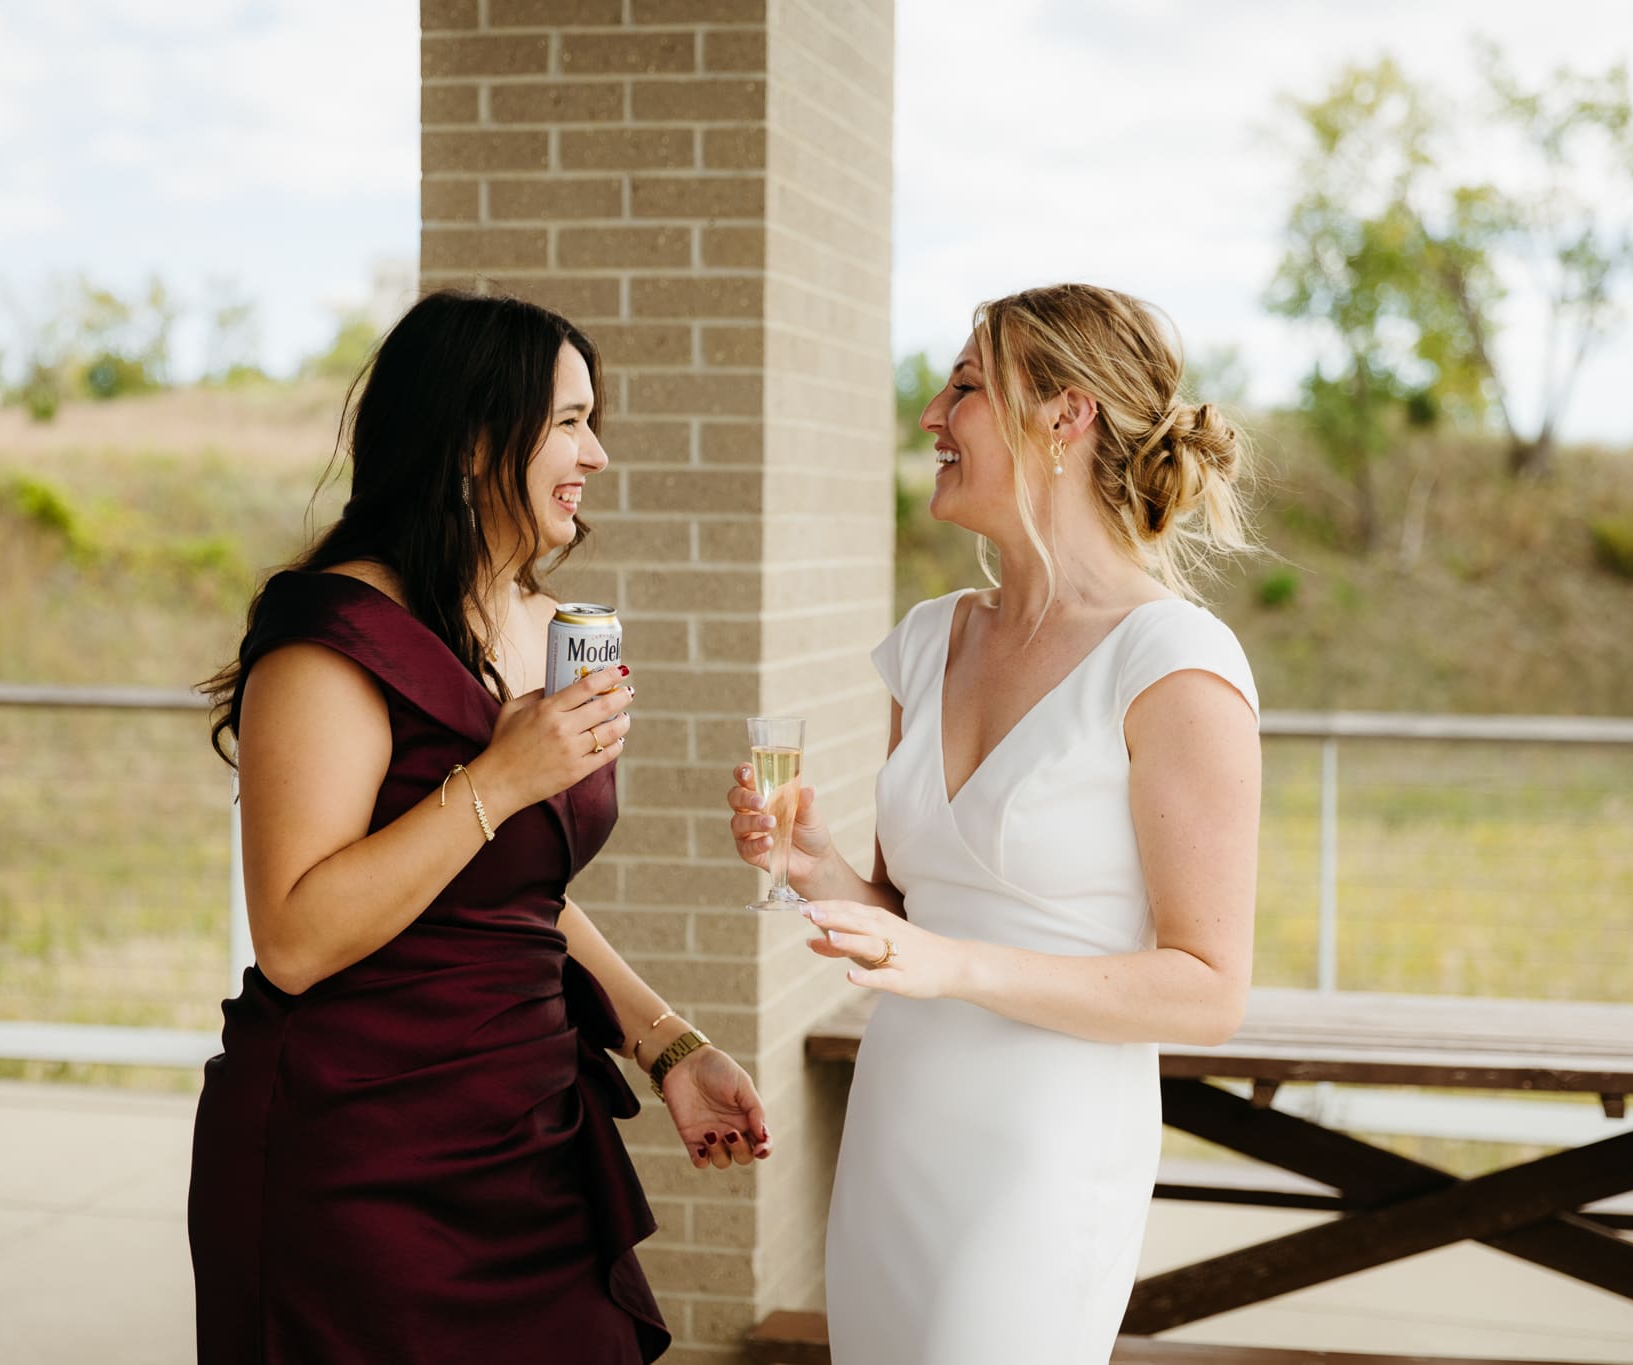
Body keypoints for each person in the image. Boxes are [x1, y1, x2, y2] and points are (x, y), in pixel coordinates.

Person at [191, 289, 770, 1365]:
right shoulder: (330, 636)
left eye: (592, 421)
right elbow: (296, 936)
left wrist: (669, 1046)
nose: (594, 454)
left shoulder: (557, 632)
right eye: (566, 421)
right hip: (355, 1151)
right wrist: (501, 779)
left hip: (528, 1130)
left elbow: (519, 896)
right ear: (467, 439)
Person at [727, 283, 1261, 1362]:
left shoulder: (1174, 665)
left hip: (1044, 1153)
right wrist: (812, 864)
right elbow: (907, 920)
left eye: (965, 386)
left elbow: (1207, 990)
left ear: (1065, 417)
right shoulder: (928, 642)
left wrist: (953, 966)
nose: (929, 413)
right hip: (894, 1133)